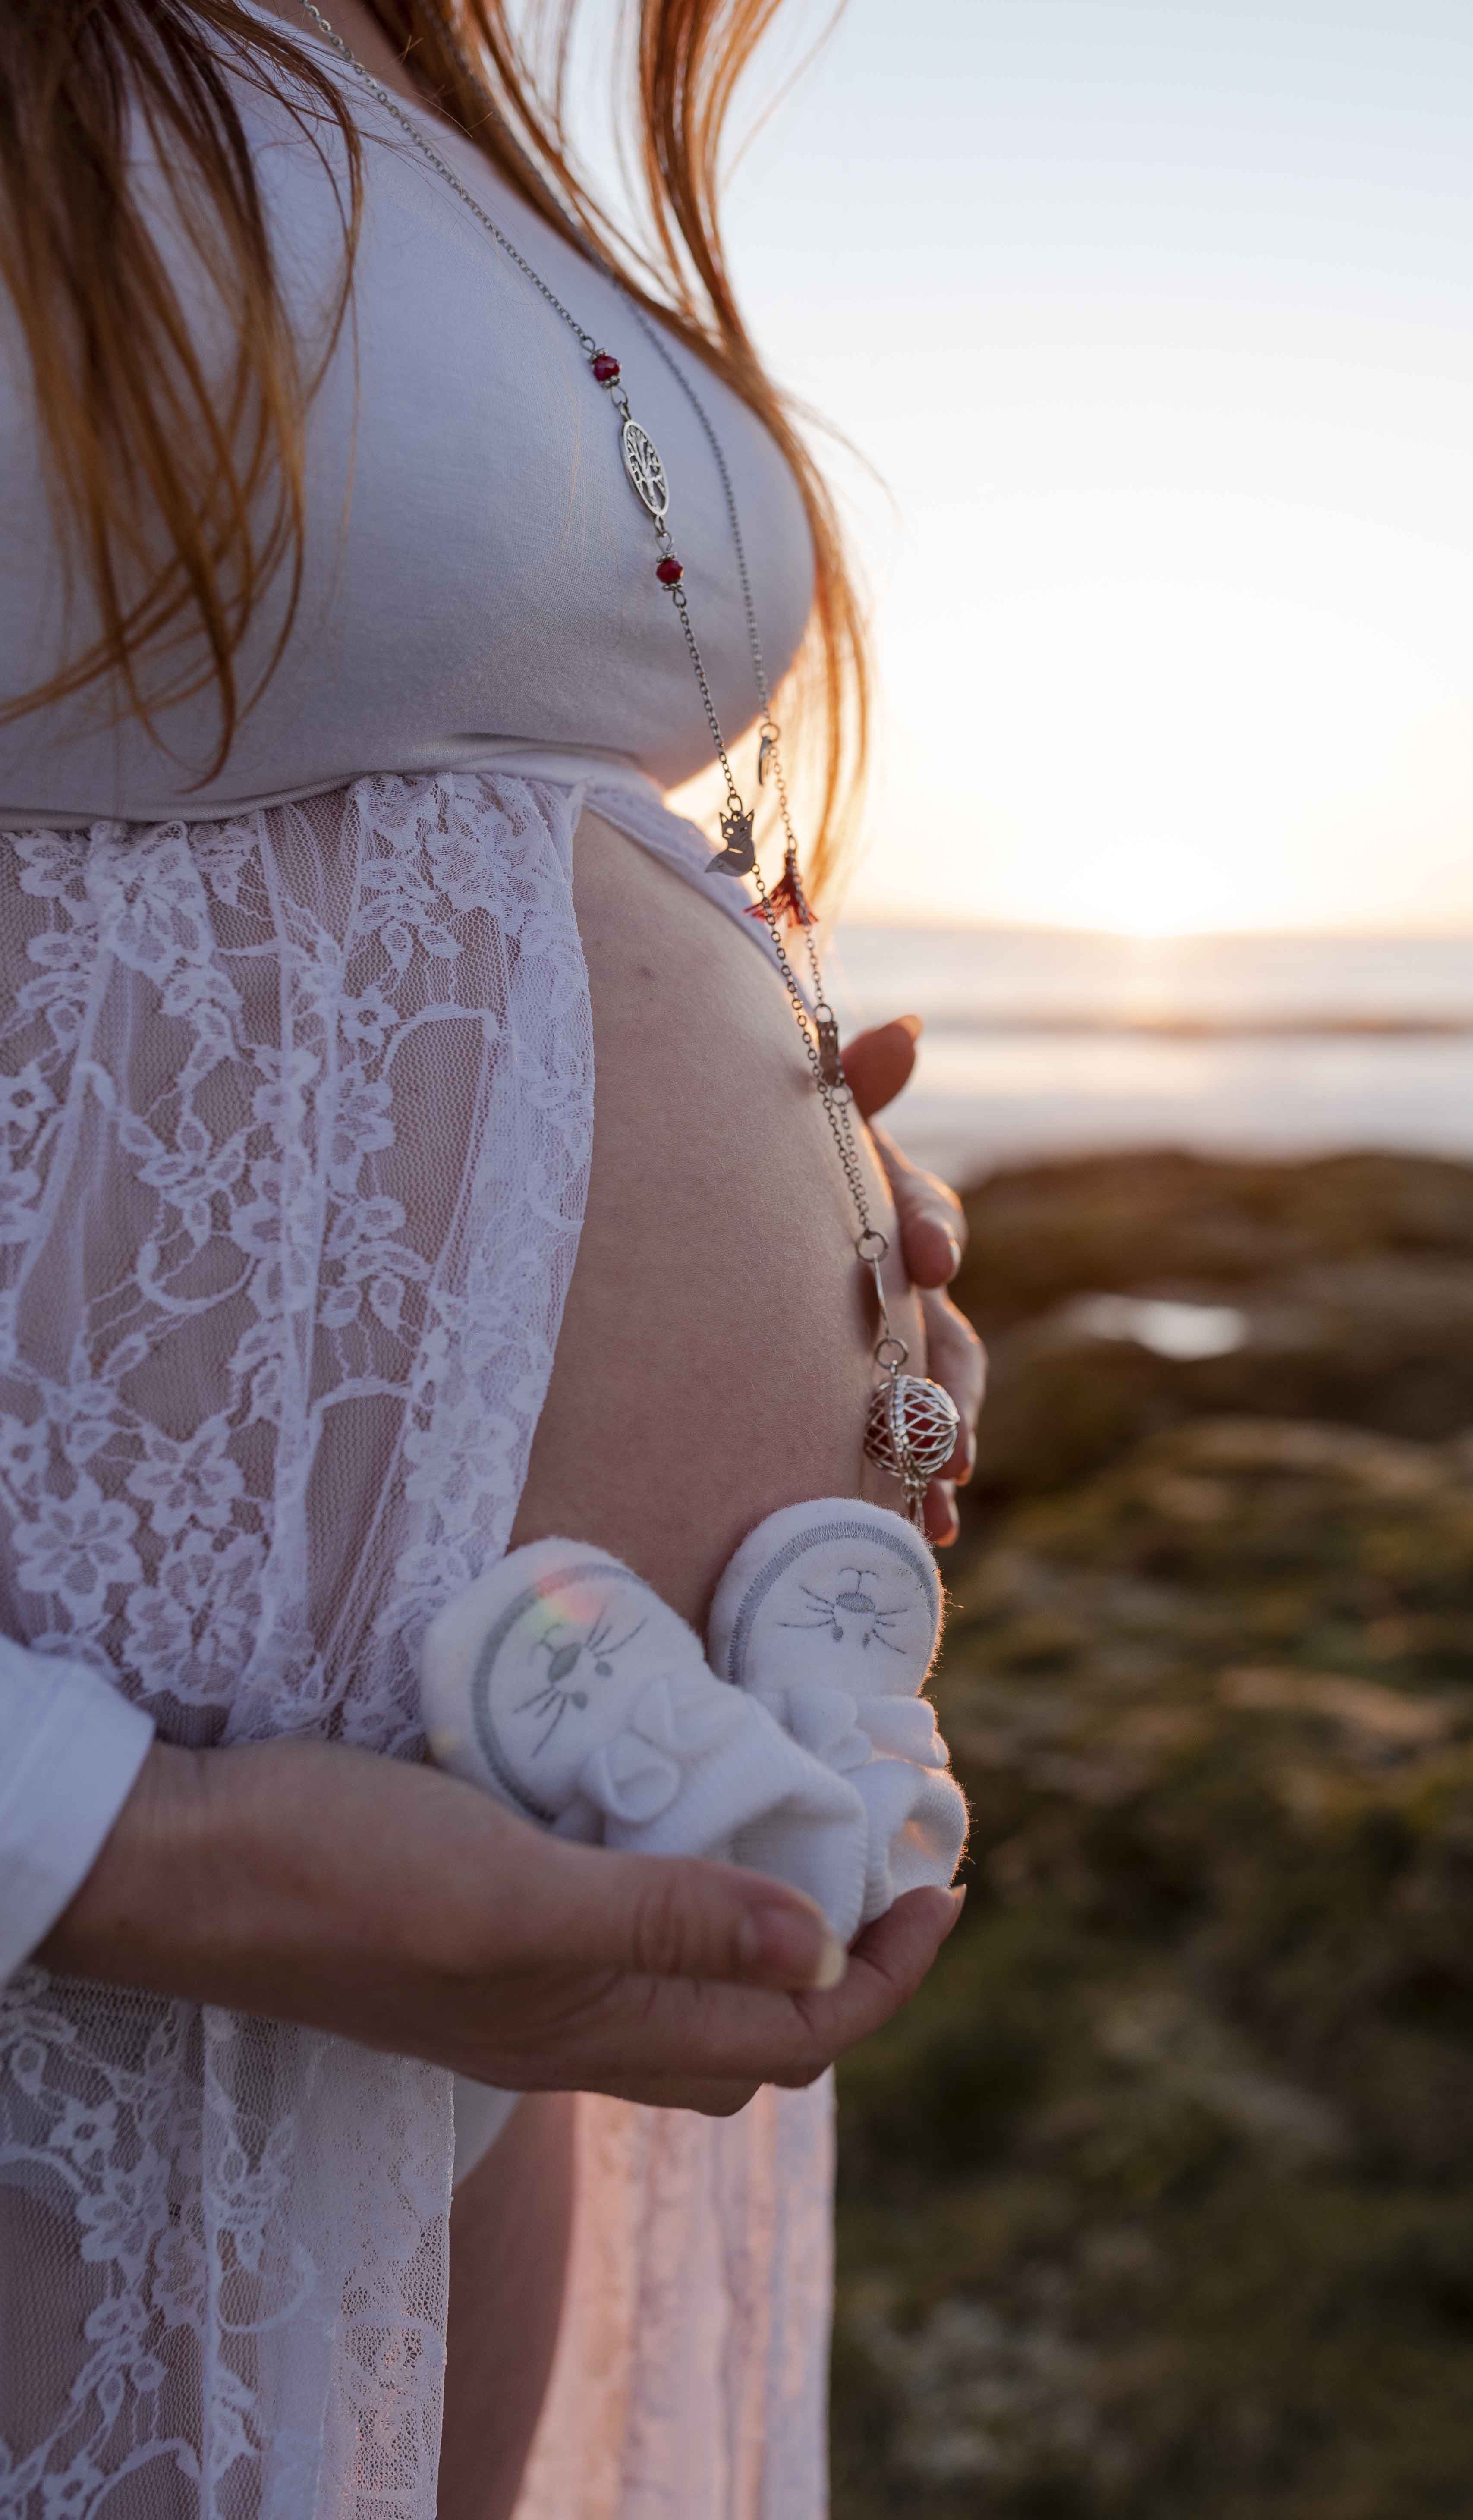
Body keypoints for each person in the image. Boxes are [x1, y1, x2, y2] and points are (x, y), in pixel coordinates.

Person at [0, 4, 986, 2515]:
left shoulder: (407, 55)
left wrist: (824, 1261)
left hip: (415, 2018)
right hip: (113, 1981)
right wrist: (145, 1854)